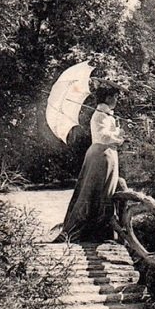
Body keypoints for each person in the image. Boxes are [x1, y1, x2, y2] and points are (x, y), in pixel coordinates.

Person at [57, 85, 125, 242]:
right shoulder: (100, 116)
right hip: (101, 156)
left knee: (105, 192)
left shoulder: (106, 116)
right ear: (108, 98)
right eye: (115, 97)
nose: (117, 100)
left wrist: (117, 131)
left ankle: (100, 231)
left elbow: (108, 134)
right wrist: (119, 137)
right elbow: (103, 137)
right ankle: (91, 232)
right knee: (96, 192)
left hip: (106, 155)